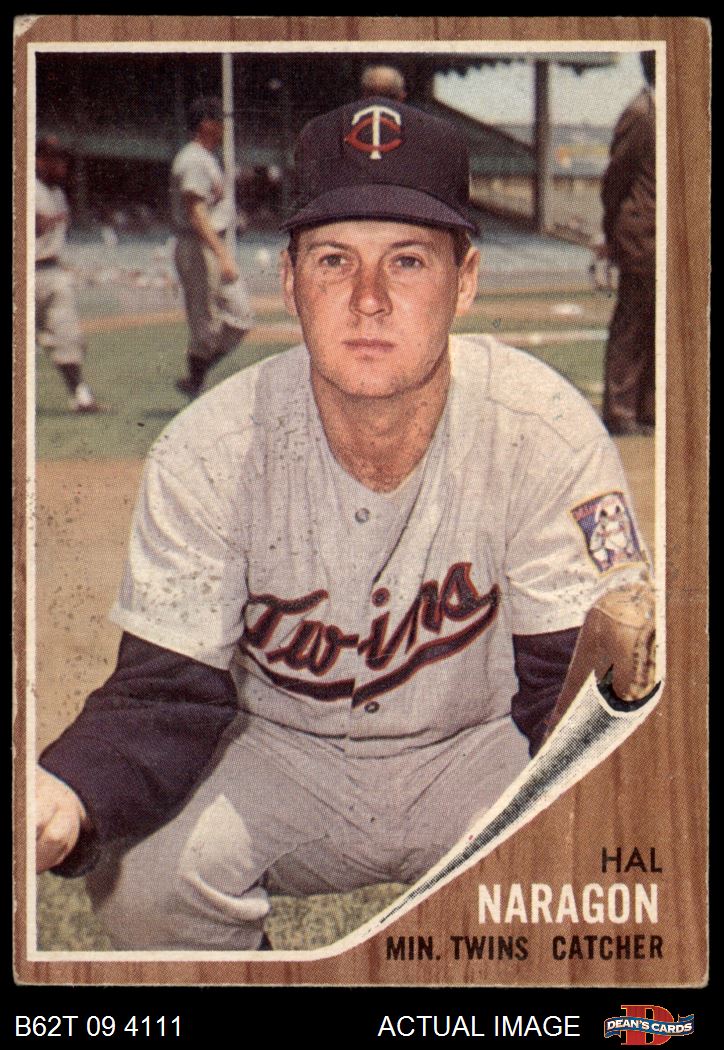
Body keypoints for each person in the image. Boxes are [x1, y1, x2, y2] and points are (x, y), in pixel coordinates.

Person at [35, 96, 651, 951]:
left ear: (464, 280)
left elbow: (567, 693)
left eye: (408, 261)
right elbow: (165, 693)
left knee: (618, 845)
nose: (368, 299)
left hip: (479, 752)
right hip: (284, 754)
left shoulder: (540, 427)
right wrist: (65, 792)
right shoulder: (210, 449)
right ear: (290, 281)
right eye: (334, 260)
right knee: (140, 879)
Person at [170, 96, 254, 399]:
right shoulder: (193, 159)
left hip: (210, 243)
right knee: (204, 324)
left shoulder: (205, 158)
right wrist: (222, 254)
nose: (224, 128)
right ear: (206, 124)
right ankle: (195, 384)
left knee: (241, 317)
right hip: (198, 245)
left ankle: (195, 378)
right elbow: (196, 212)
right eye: (220, 121)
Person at [597, 52, 657, 436]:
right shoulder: (642, 112)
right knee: (633, 323)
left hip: (660, 236)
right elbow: (615, 179)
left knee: (655, 322)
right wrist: (610, 232)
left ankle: (646, 409)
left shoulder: (664, 110)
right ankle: (620, 412)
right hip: (640, 237)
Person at [35, 135, 100, 413]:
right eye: (55, 159)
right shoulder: (27, 189)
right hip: (25, 272)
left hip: (52, 271)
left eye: (63, 159)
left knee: (67, 335)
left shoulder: (59, 196)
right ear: (39, 160)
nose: (61, 165)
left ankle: (80, 396)